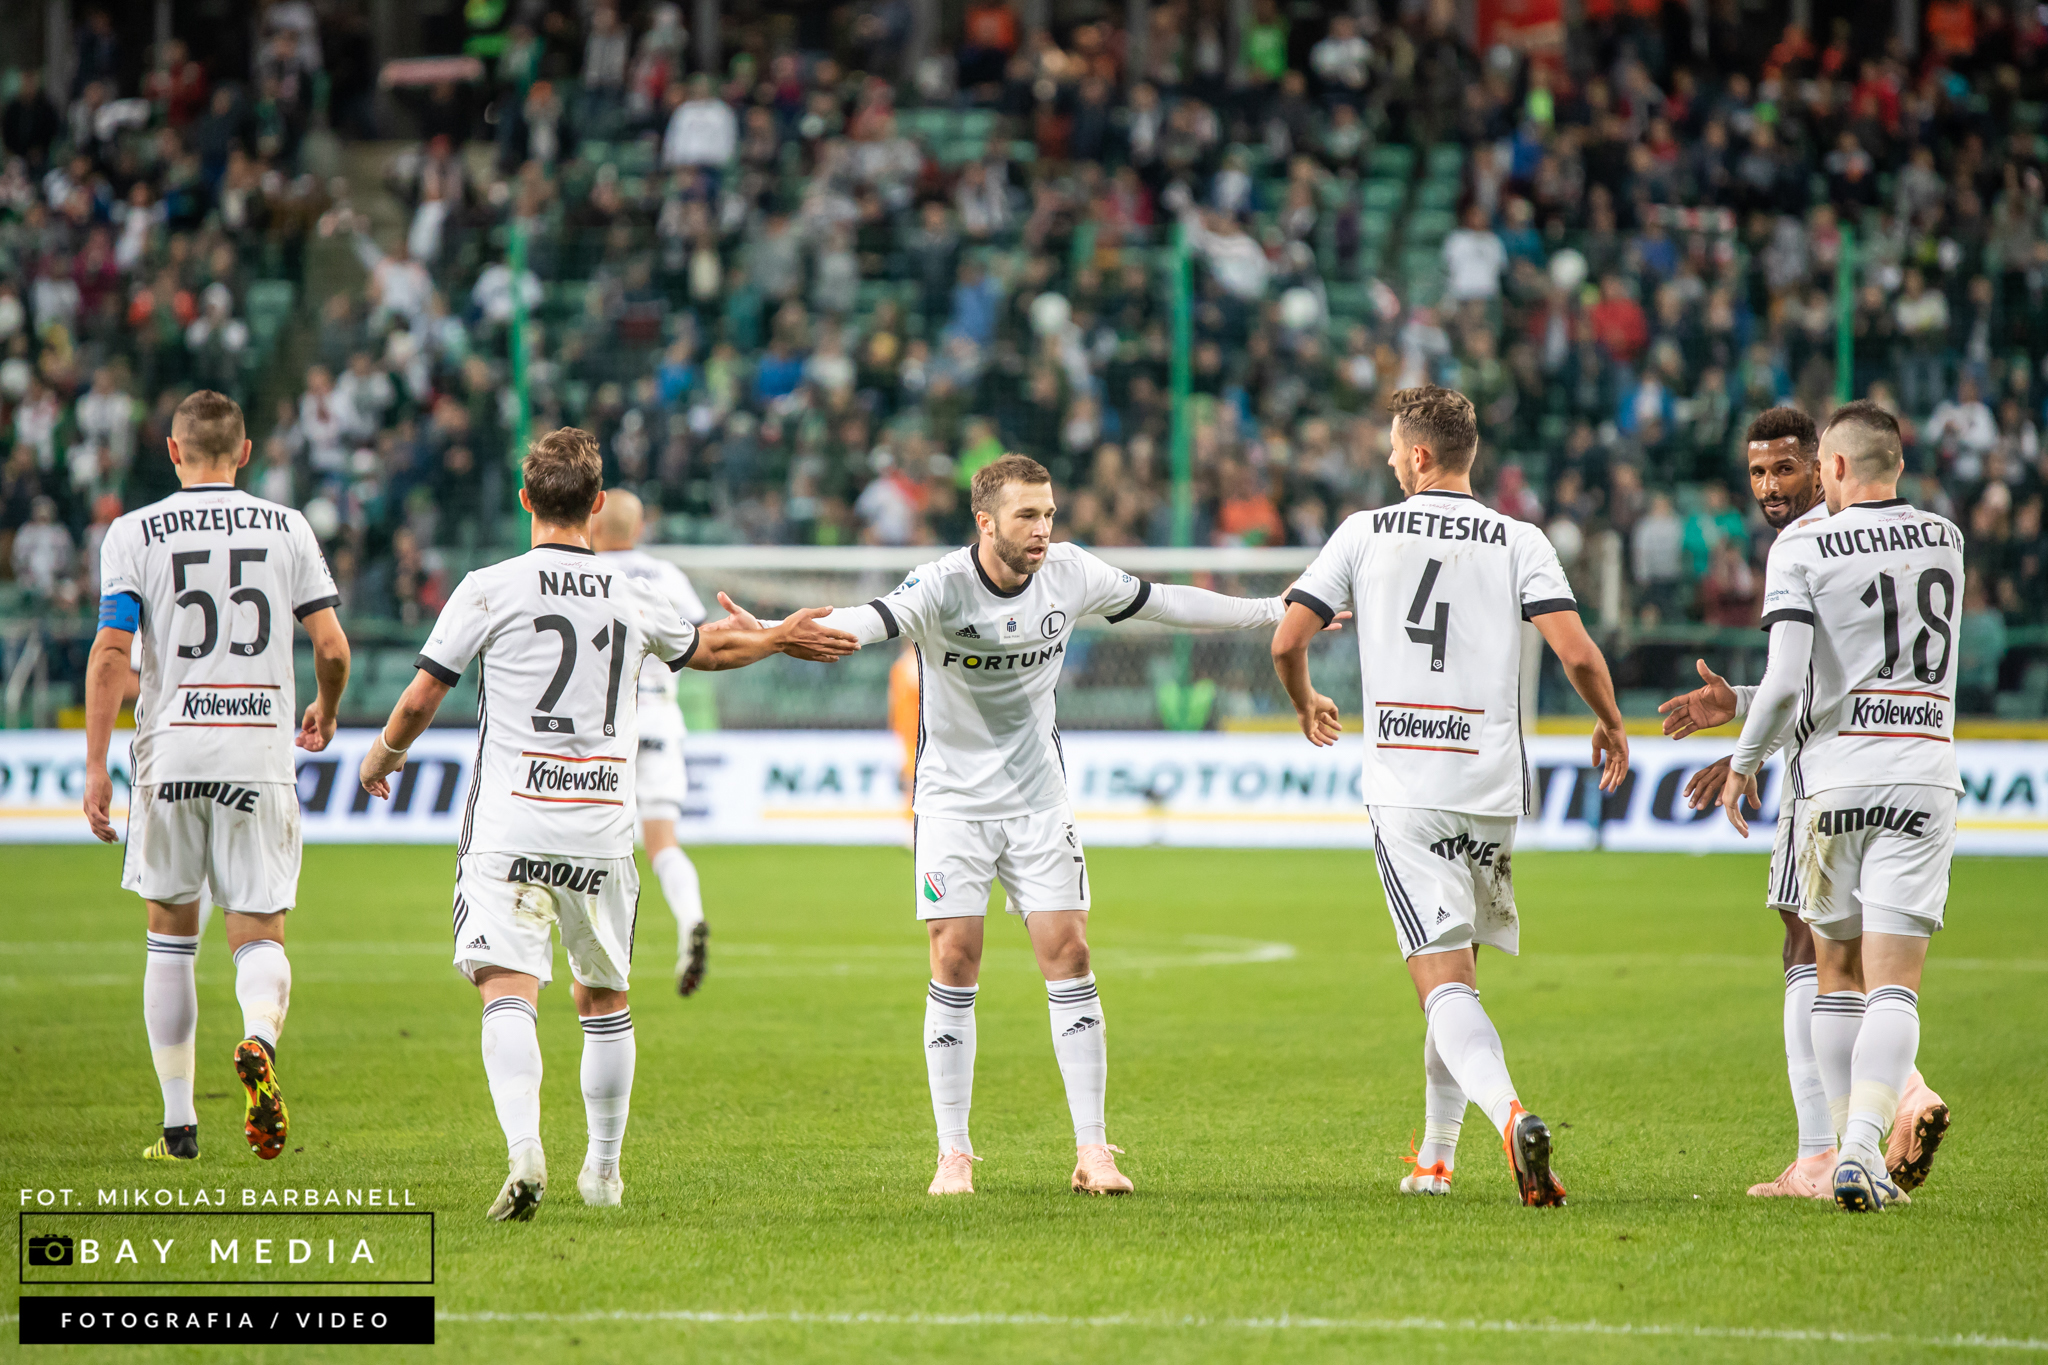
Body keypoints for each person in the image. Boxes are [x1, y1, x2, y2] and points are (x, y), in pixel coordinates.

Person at [357, 428, 855, 1221]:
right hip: (599, 826)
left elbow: (422, 697)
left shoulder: (488, 587)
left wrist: (382, 754)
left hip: (512, 823)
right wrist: (777, 635)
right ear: (595, 504)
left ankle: (525, 1147)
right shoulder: (633, 592)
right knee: (604, 998)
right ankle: (604, 1171)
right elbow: (709, 652)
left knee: (507, 989)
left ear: (525, 499)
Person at [797, 454, 1296, 1198]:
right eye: (1027, 515)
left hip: (1039, 801)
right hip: (952, 804)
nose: (1042, 529)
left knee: (1070, 952)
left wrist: (1269, 610)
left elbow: (1165, 602)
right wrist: (772, 633)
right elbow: (864, 622)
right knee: (954, 959)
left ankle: (1093, 1150)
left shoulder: (1070, 572)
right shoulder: (940, 585)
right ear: (985, 521)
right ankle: (954, 1154)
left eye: (1050, 514)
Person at [1270, 385, 1629, 1207]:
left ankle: (1511, 1117)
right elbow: (1577, 653)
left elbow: (1289, 638)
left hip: (1409, 787)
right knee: (1457, 977)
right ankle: (1435, 1159)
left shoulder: (1363, 532)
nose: (1390, 459)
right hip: (1491, 787)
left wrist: (1304, 698)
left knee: (1442, 985)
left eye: (1396, 448)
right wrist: (1610, 720)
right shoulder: (1519, 538)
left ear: (1421, 454)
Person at [1659, 407, 1949, 1201]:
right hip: (1920, 769)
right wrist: (1741, 703)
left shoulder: (1807, 544)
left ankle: (1832, 1145)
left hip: (1828, 774)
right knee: (1876, 971)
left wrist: (1747, 754)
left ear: (1828, 464)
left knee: (1814, 954)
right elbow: (1842, 675)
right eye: (1757, 472)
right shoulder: (1941, 539)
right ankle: (1868, 1126)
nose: (1770, 485)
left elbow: (1800, 685)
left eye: (1788, 467)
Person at [80, 390, 351, 1164]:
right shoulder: (288, 527)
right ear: (246, 452)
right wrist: (326, 710)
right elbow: (332, 647)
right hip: (257, 751)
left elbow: (111, 652)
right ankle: (258, 1038)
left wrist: (96, 764)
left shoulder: (133, 531)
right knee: (257, 931)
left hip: (171, 753)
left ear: (173, 451)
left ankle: (178, 1128)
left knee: (170, 936)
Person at [589, 488, 713, 995]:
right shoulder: (667, 575)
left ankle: (600, 951)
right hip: (660, 720)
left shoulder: (585, 576)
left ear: (593, 526)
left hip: (602, 727)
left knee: (595, 843)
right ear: (639, 529)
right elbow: (704, 638)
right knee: (662, 842)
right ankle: (691, 916)